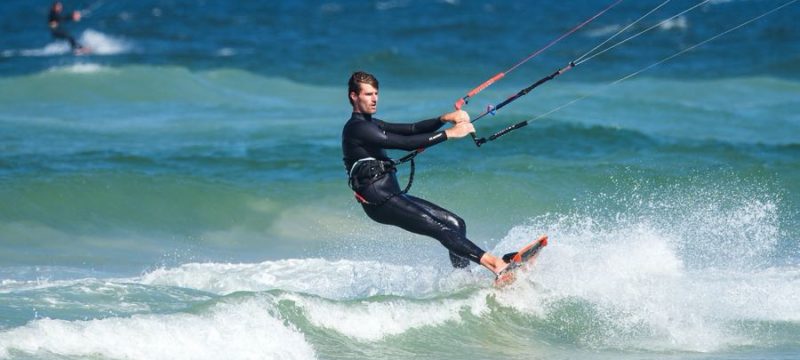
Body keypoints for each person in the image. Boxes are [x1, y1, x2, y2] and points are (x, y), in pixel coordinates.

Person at [341, 71, 510, 276]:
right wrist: (450, 133)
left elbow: (412, 129)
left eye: (376, 93)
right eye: (368, 94)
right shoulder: (356, 128)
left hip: (391, 194)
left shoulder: (372, 123)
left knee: (455, 224)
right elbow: (404, 144)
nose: (374, 99)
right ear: (353, 96)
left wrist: (445, 118)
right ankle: (496, 265)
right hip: (379, 200)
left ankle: (463, 278)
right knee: (442, 230)